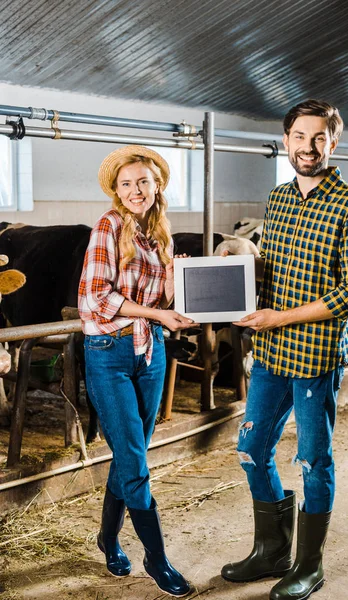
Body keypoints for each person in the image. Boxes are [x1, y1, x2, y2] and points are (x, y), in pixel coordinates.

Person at [221, 99, 348, 600]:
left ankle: (309, 565)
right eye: (299, 137)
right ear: (285, 140)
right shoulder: (279, 200)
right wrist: (227, 266)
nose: (307, 147)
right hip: (270, 351)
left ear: (334, 143)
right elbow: (271, 268)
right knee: (251, 448)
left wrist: (279, 317)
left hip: (314, 355)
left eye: (319, 138)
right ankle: (271, 551)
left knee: (312, 459)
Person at [78, 144, 197, 597]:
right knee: (135, 461)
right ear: (116, 189)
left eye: (143, 182)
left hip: (150, 352)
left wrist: (175, 281)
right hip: (108, 352)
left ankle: (107, 539)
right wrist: (157, 313)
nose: (135, 190)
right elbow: (95, 298)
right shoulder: (107, 226)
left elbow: (162, 304)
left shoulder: (159, 234)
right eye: (126, 183)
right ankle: (157, 559)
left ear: (156, 186)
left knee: (131, 456)